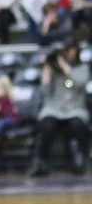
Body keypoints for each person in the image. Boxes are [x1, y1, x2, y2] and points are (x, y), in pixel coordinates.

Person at [31, 40, 90, 177]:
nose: (69, 53)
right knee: (46, 125)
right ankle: (40, 161)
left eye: (72, 49)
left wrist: (63, 65)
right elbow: (45, 91)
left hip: (75, 108)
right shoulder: (52, 68)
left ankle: (83, 159)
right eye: (67, 50)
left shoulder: (82, 67)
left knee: (77, 124)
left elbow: (80, 83)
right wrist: (47, 67)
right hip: (54, 108)